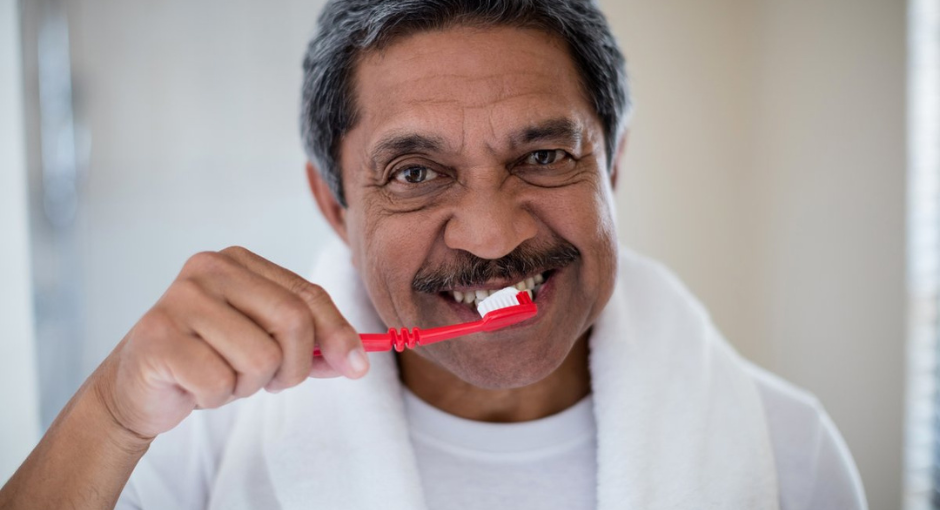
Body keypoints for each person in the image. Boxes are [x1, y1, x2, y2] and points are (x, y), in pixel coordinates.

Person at [0, 1, 868, 509]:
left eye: (543, 156)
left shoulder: (790, 455)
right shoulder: (197, 450)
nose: (492, 236)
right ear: (333, 206)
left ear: (613, 165)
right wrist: (111, 416)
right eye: (415, 173)